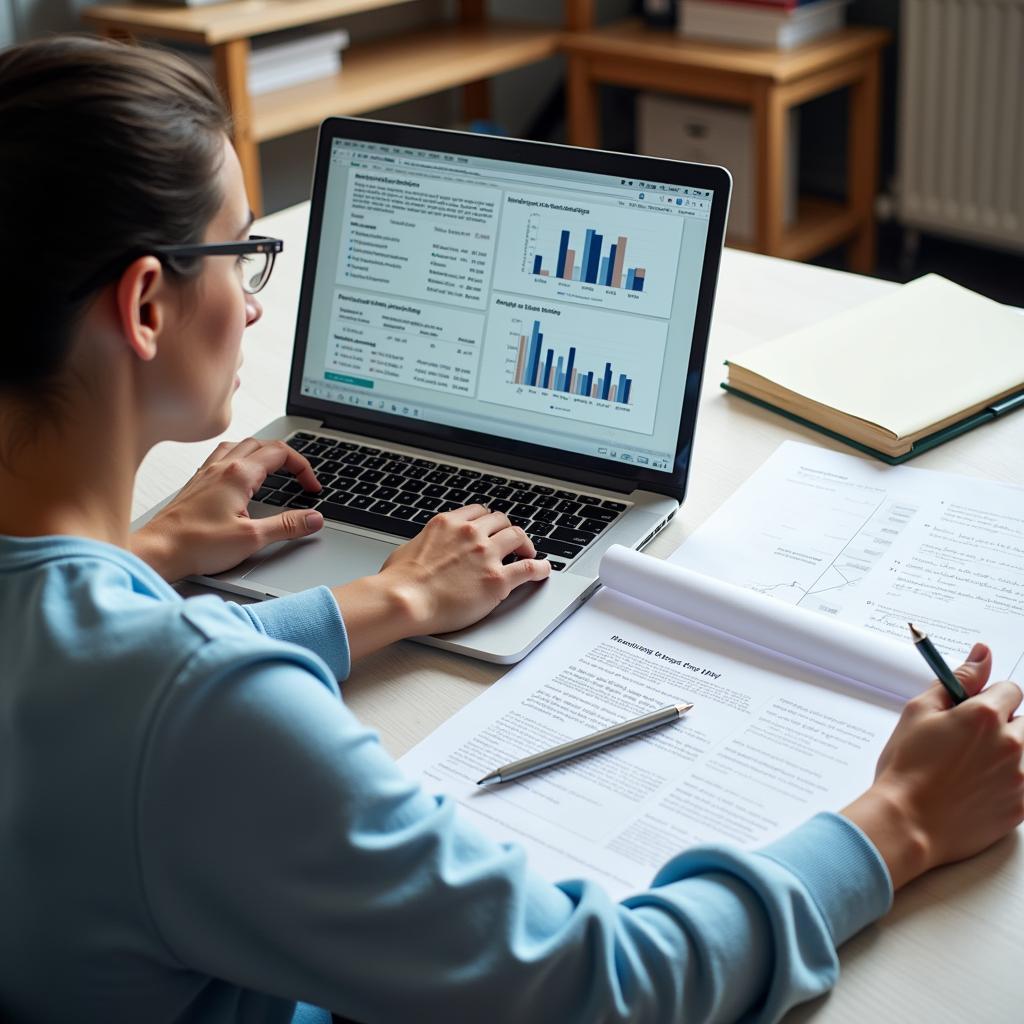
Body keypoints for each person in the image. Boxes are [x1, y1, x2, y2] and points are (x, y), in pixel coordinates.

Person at [0, 34, 1021, 1024]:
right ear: (143, 304)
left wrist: (172, 567)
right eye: (245, 253)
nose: (258, 305)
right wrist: (900, 821)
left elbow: (107, 681)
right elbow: (607, 984)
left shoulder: (95, 656)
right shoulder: (194, 717)